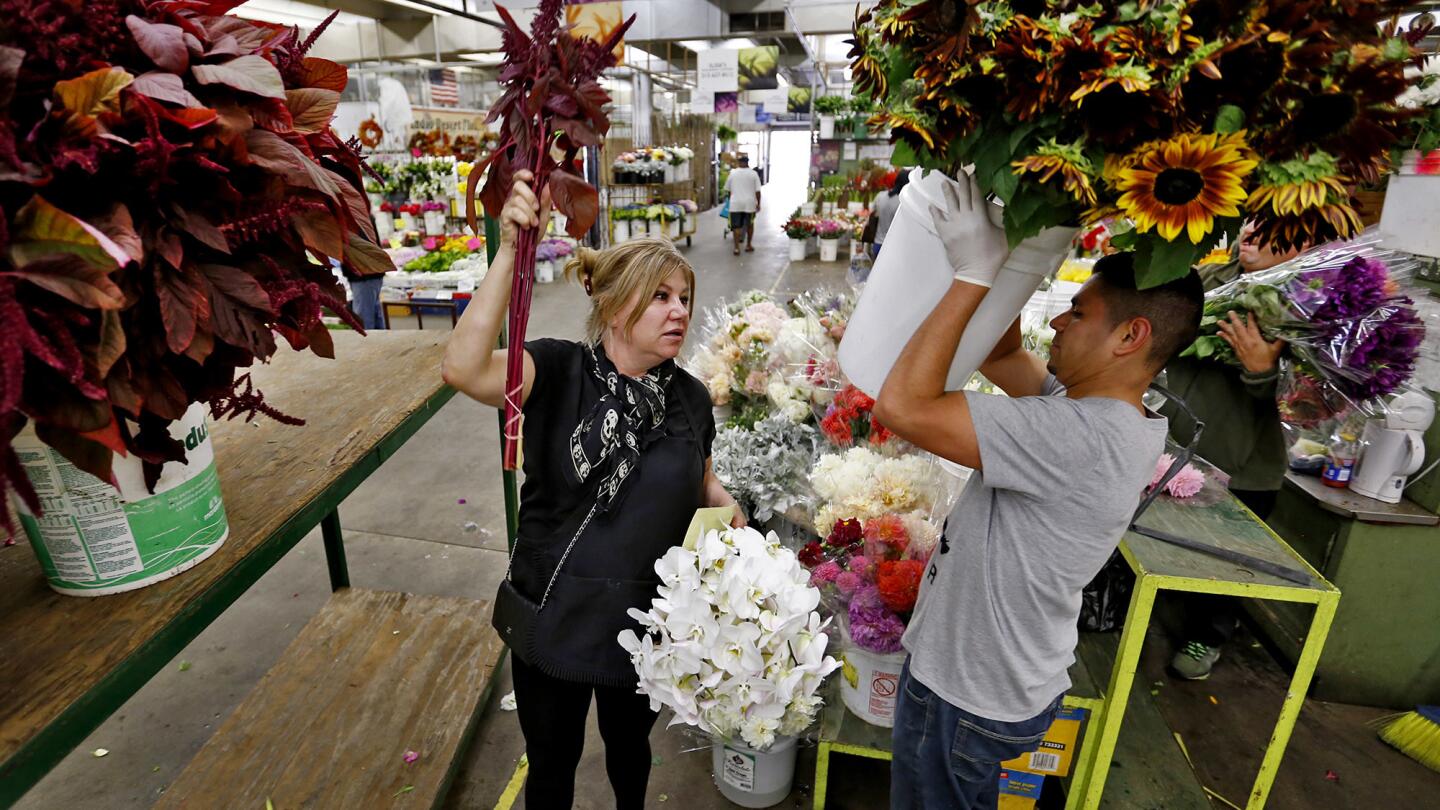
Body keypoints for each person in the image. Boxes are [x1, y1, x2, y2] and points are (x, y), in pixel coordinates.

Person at [872, 173, 1203, 810]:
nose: (1059, 323)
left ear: (1130, 337)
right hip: (1003, 677)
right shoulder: (1104, 414)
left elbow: (903, 406)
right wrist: (1017, 255)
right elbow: (1000, 355)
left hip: (966, 694)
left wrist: (974, 273)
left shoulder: (1076, 437)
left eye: (1079, 313)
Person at [440, 171, 744, 810]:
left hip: (643, 624)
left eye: (684, 297)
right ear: (612, 306)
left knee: (631, 758)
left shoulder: (688, 397)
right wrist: (508, 254)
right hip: (553, 620)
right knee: (551, 768)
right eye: (660, 296)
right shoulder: (557, 371)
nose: (680, 311)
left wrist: (720, 502)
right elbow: (462, 368)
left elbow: (702, 476)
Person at [1161, 222, 1304, 680]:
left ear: (1309, 242)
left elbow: (1314, 408)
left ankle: (1210, 634)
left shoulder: (1311, 307)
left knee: (1225, 565)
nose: (1255, 231)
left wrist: (1264, 371)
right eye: (1251, 218)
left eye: (1275, 225)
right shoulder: (1205, 281)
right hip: (1170, 446)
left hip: (1243, 468)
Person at [867, 168, 909, 260]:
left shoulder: (880, 196)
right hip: (893, 248)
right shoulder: (903, 202)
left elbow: (872, 214)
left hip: (877, 245)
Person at [724, 154, 761, 255]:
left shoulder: (733, 173)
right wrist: (758, 203)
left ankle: (736, 248)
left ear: (739, 163)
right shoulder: (753, 174)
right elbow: (758, 191)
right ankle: (748, 245)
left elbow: (727, 190)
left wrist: (730, 200)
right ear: (747, 162)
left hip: (735, 204)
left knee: (736, 226)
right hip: (749, 203)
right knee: (750, 224)